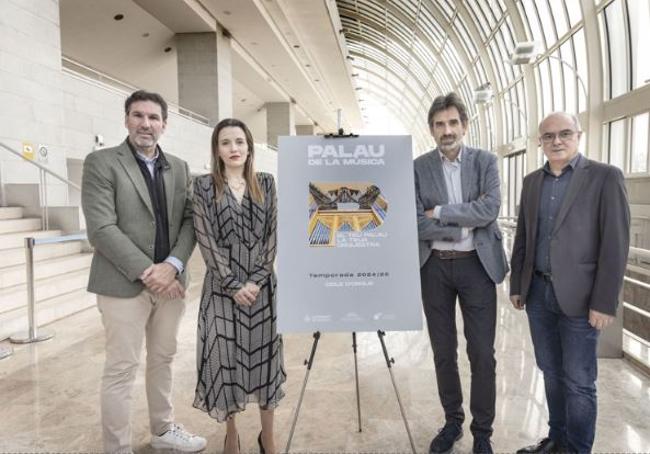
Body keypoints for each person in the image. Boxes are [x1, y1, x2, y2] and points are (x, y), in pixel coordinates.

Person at [81, 90, 206, 453]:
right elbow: (101, 228)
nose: (145, 124)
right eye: (138, 116)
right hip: (121, 284)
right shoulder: (102, 162)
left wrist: (173, 265)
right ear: (126, 120)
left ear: (164, 125)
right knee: (121, 368)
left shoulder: (179, 167)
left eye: (153, 118)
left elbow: (189, 222)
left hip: (171, 286)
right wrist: (149, 271)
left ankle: (163, 430)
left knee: (163, 360)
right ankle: (117, 448)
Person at [510, 112, 630, 454]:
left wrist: (605, 302)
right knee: (550, 372)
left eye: (564, 134)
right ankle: (557, 439)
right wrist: (518, 286)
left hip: (582, 299)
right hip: (538, 294)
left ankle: (577, 449)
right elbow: (523, 237)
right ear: (540, 142)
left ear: (578, 136)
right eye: (548, 136)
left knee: (579, 382)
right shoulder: (532, 182)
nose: (556, 141)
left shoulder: (605, 178)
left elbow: (615, 244)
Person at [414, 92, 508, 454]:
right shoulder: (418, 167)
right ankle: (452, 422)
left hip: (477, 267)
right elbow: (412, 221)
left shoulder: (485, 162)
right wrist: (455, 227)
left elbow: (489, 209)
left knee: (482, 353)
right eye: (439, 124)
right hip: (434, 268)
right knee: (443, 351)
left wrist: (436, 212)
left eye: (453, 122)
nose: (447, 130)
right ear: (432, 129)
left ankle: (482, 432)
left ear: (464, 126)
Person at [192, 118, 285, 454]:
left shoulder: (267, 183)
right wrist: (233, 284)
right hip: (220, 289)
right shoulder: (203, 187)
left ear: (249, 147)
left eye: (240, 142)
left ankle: (268, 436)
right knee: (224, 360)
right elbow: (205, 239)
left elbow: (272, 236)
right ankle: (232, 434)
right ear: (217, 149)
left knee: (266, 361)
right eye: (226, 142)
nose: (234, 148)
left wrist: (257, 280)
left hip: (261, 291)